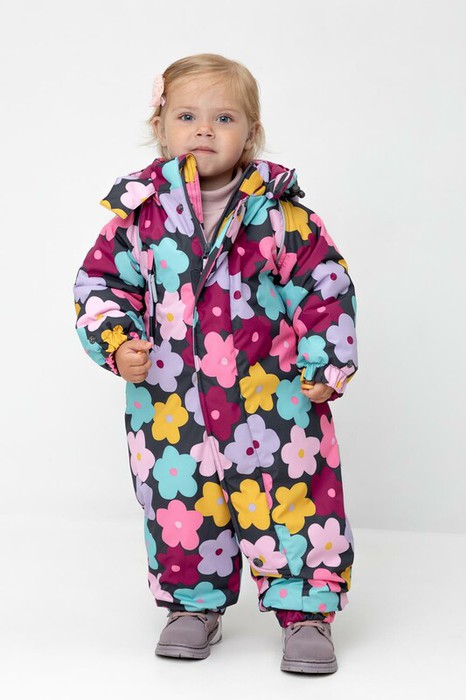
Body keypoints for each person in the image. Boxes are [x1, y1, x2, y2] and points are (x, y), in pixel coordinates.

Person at [72, 53, 358, 674]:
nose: (204, 129)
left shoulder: (279, 214)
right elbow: (101, 284)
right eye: (187, 116)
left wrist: (325, 362)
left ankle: (306, 610)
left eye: (223, 117)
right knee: (182, 504)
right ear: (161, 128)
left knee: (293, 499)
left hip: (273, 401)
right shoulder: (140, 216)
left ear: (250, 133)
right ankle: (191, 604)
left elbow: (324, 289)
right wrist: (118, 341)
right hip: (170, 402)